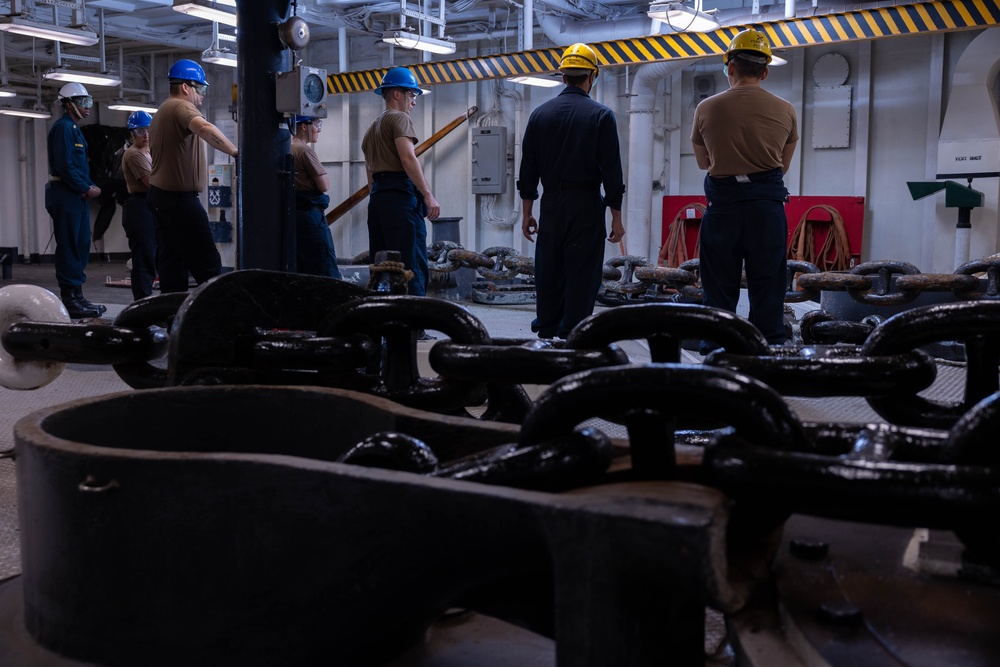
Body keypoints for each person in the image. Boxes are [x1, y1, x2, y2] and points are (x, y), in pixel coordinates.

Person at [691, 29, 798, 350]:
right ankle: (767, 348)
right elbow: (783, 164)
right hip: (766, 208)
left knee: (719, 285)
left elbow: (702, 162)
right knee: (768, 284)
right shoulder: (786, 110)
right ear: (765, 71)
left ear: (730, 68)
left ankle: (717, 348)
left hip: (722, 208)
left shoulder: (706, 108)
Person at [518, 43, 625, 340]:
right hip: (587, 204)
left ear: (563, 77)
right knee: (582, 272)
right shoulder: (601, 116)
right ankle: (574, 334)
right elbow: (612, 174)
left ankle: (547, 330)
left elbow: (528, 171)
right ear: (593, 76)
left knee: (549, 270)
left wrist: (527, 213)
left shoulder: (540, 115)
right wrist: (616, 217)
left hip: (551, 204)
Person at [147, 58, 238, 293]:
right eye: (201, 88)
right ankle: (214, 317)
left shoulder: (161, 111)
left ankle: (173, 319)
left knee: (172, 263)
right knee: (207, 261)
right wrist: (236, 152)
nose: (203, 95)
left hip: (161, 198)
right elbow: (205, 129)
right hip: (179, 201)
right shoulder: (181, 106)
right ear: (186, 87)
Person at [361, 67, 440, 296]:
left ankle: (387, 320)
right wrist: (427, 194)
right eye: (412, 94)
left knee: (383, 265)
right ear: (397, 93)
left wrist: (378, 195)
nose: (414, 101)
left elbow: (370, 175)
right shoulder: (399, 118)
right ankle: (413, 327)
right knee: (410, 262)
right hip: (399, 197)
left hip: (378, 200)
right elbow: (407, 158)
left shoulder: (370, 130)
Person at [46, 82, 106, 319]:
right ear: (68, 104)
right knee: (70, 247)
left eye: (89, 102)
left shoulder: (74, 128)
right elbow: (65, 166)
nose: (87, 107)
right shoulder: (63, 128)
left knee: (80, 245)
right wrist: (86, 188)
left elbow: (79, 166)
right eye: (83, 102)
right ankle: (70, 300)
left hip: (75, 194)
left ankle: (78, 296)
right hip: (65, 194)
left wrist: (87, 186)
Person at [291, 115, 341, 279]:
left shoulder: (286, 147)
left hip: (294, 216)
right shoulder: (304, 150)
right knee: (324, 268)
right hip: (311, 218)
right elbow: (324, 185)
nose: (319, 129)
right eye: (317, 124)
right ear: (304, 126)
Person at [120, 110, 157, 300]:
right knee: (144, 258)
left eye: (149, 130)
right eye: (141, 131)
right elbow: (152, 183)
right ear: (133, 134)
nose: (147, 135)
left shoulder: (149, 152)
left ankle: (149, 301)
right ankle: (142, 303)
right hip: (139, 206)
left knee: (151, 257)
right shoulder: (134, 155)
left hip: (148, 206)